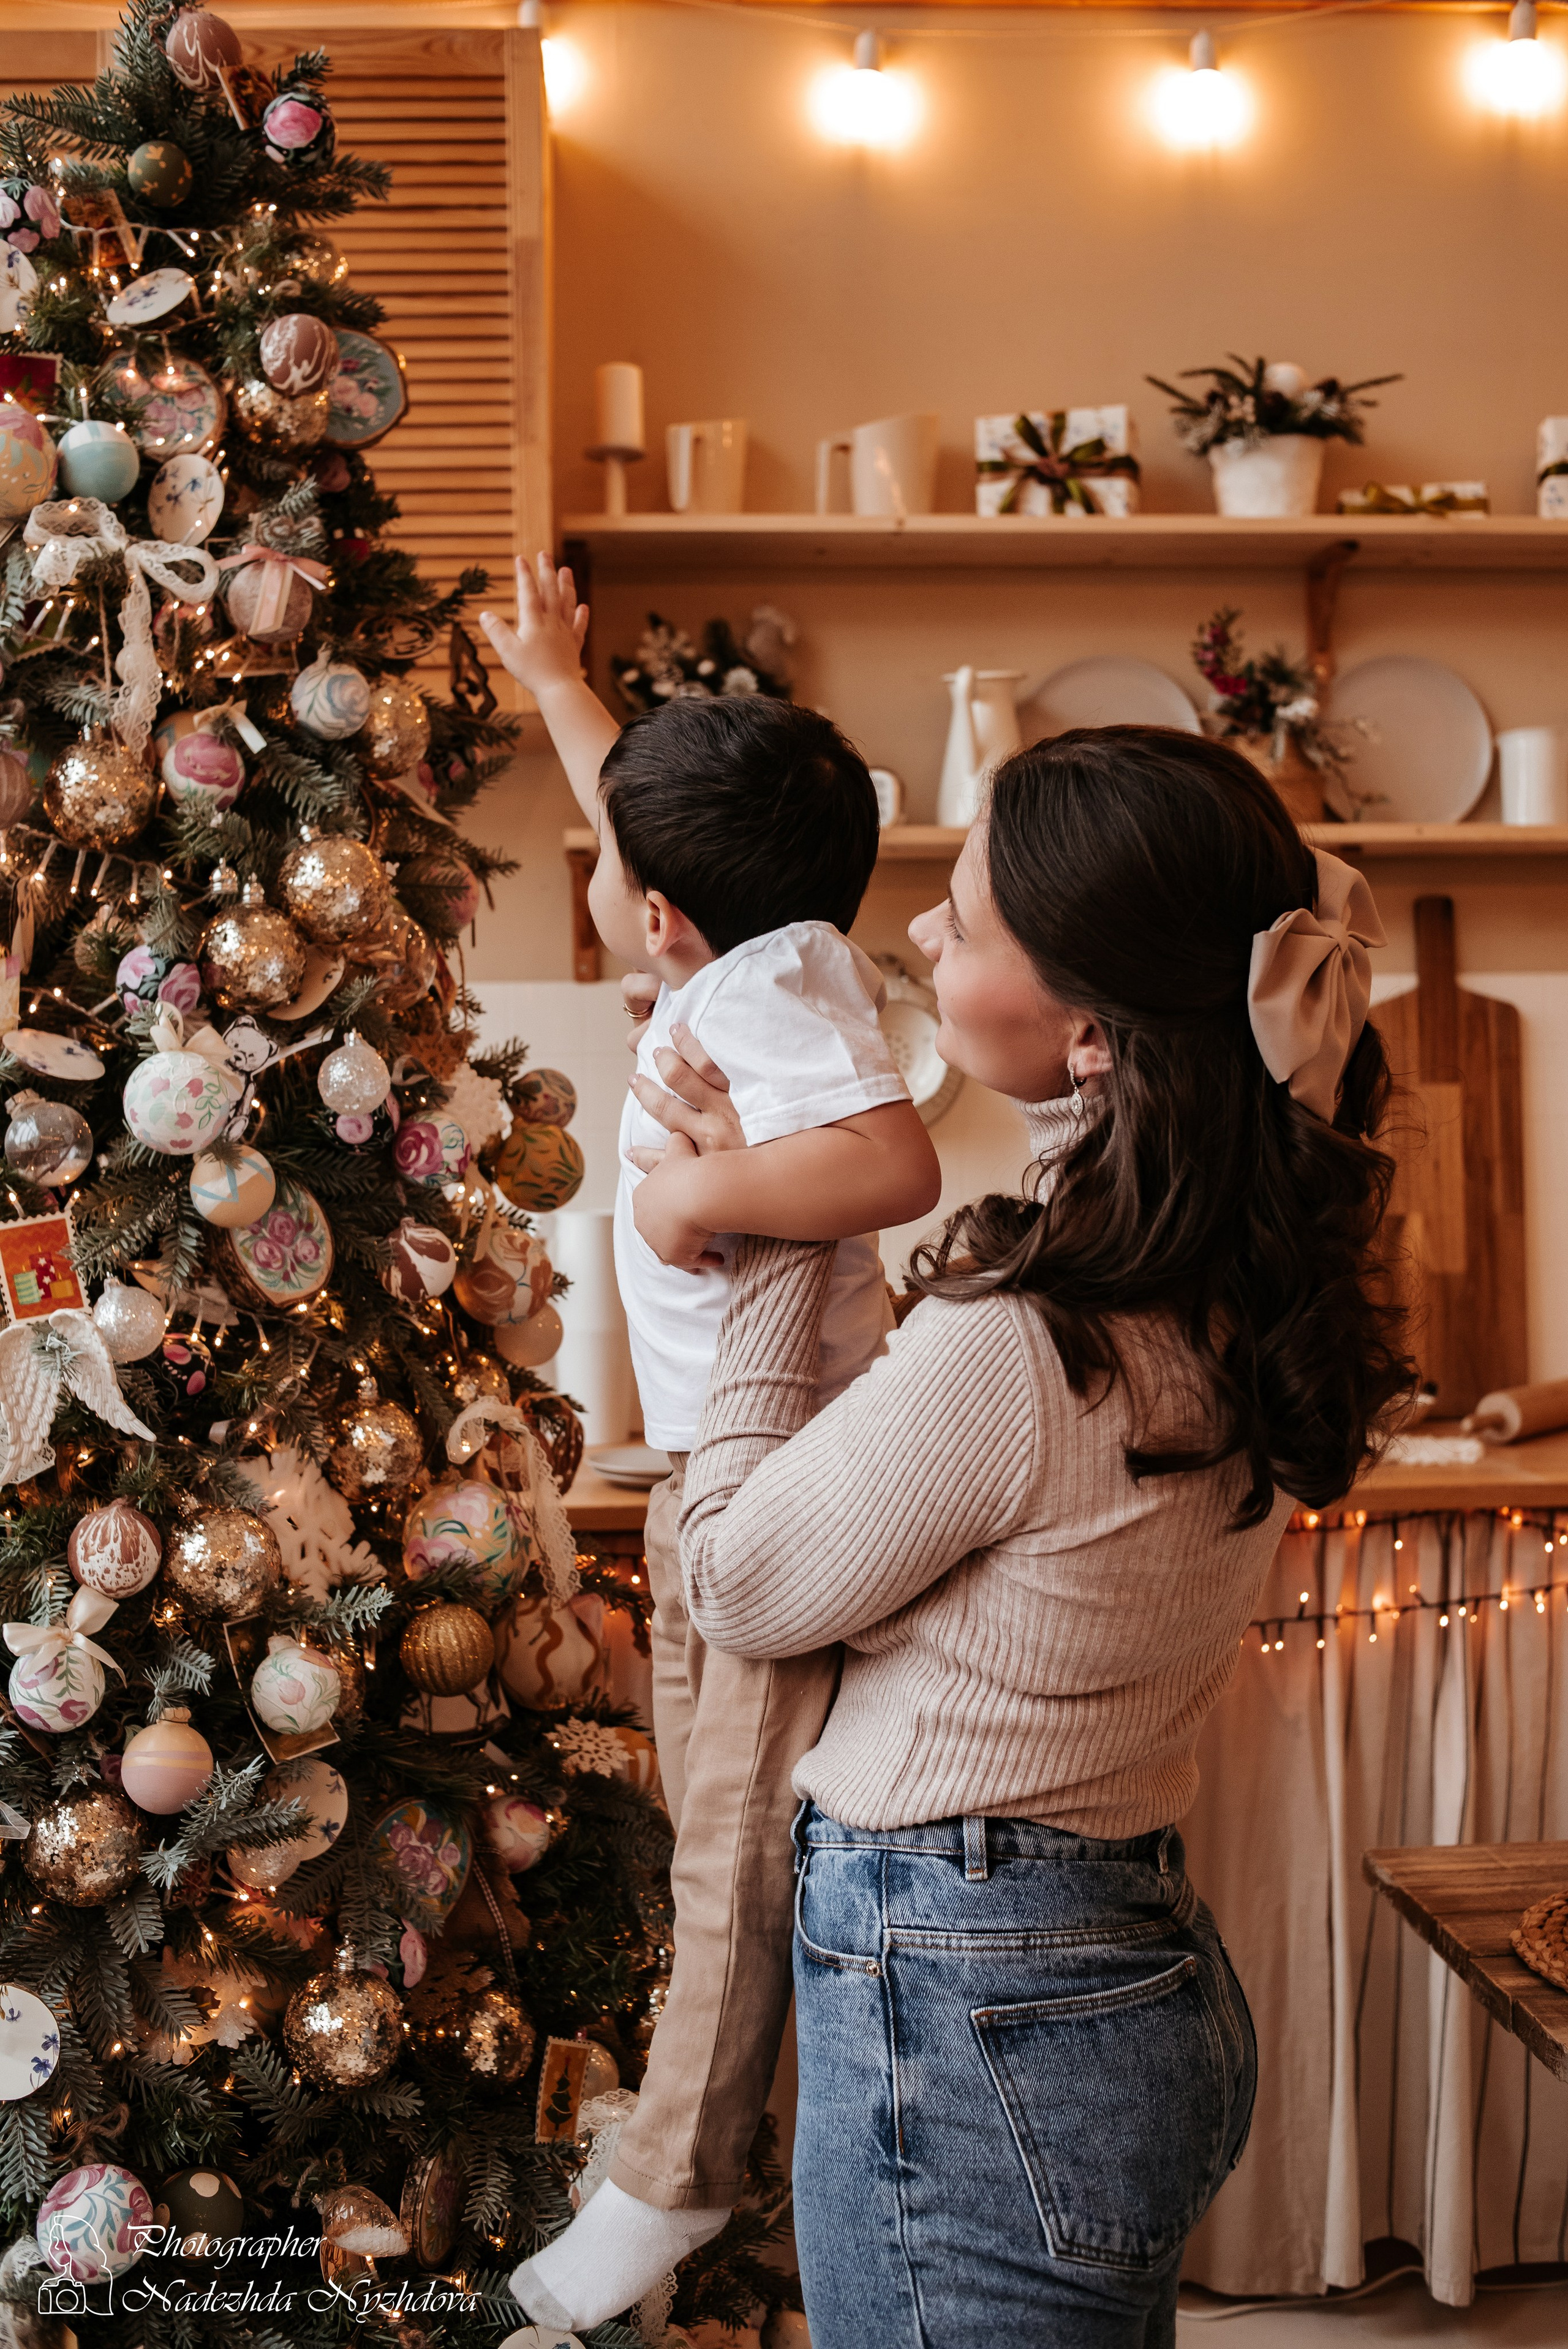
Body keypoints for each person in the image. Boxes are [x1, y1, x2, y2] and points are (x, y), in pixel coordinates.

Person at [628, 728, 1412, 2348]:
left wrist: (773, 1225)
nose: (917, 932)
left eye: (969, 922)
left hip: (972, 1990)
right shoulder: (1215, 1272)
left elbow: (743, 1579)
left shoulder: (1044, 1334)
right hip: (1103, 1965)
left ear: (1099, 1037)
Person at [479, 562, 941, 2329]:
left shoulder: (757, 996)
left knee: (733, 1837)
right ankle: (723, 2140)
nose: (600, 861)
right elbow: (636, 813)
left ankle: (675, 2174)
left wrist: (694, 1193)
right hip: (743, 1471)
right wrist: (556, 675)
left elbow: (894, 1165)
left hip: (780, 1481)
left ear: (658, 916)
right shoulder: (772, 947)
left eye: (611, 859)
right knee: (723, 1829)